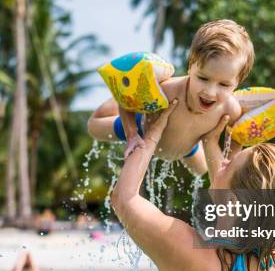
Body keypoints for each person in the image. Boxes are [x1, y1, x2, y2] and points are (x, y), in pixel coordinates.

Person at [110, 100, 275, 271]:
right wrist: (210, 142)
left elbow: (125, 199)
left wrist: (150, 134)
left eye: (230, 163)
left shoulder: (185, 249)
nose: (223, 162)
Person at [88, 19, 253, 175]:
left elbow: (236, 139)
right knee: (93, 128)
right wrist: (132, 135)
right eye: (203, 78)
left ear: (238, 82)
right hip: (142, 128)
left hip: (187, 148)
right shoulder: (167, 91)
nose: (210, 92)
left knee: (200, 170)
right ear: (190, 67)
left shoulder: (231, 110)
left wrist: (229, 161)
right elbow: (128, 100)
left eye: (224, 85)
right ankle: (113, 100)